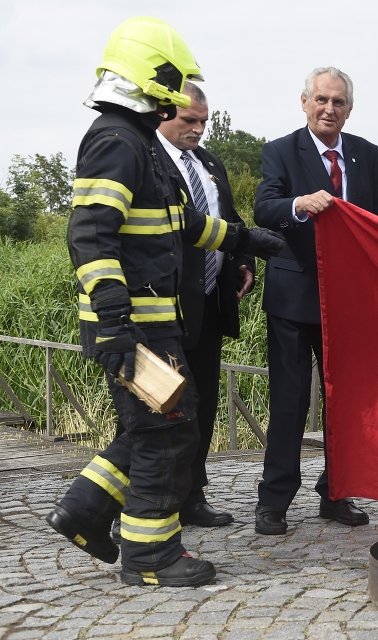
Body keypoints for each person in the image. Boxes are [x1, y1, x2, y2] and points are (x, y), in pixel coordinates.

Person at [45, 16, 283, 586]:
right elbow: (90, 234)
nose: (174, 98)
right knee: (167, 428)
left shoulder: (138, 143)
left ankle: (83, 510)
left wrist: (244, 239)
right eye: (170, 85)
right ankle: (151, 556)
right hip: (134, 328)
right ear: (148, 79)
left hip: (153, 324)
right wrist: (114, 323)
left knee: (157, 424)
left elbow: (181, 223)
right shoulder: (115, 142)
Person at [253, 66, 378, 535]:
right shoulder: (279, 151)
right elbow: (264, 208)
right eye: (321, 100)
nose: (328, 109)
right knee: (290, 404)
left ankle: (336, 493)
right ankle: (273, 501)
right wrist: (299, 204)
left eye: (338, 102)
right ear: (304, 102)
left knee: (345, 404)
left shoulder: (366, 155)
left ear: (349, 110)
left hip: (350, 301)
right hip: (294, 299)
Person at [157, 81, 256, 526]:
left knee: (205, 404)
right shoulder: (148, 160)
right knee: (160, 408)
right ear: (163, 114)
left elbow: (229, 222)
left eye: (203, 121)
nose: (198, 130)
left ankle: (193, 495)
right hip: (164, 307)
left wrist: (243, 259)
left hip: (212, 304)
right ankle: (149, 501)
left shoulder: (210, 163)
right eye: (188, 121)